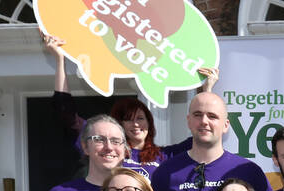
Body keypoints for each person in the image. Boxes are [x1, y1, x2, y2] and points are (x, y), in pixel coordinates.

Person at [41, 28, 217, 168]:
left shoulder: (164, 157)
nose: (136, 124)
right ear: (119, 125)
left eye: (140, 118)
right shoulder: (109, 151)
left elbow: (201, 138)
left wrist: (206, 88)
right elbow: (66, 114)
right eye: (128, 119)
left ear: (149, 123)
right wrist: (60, 60)